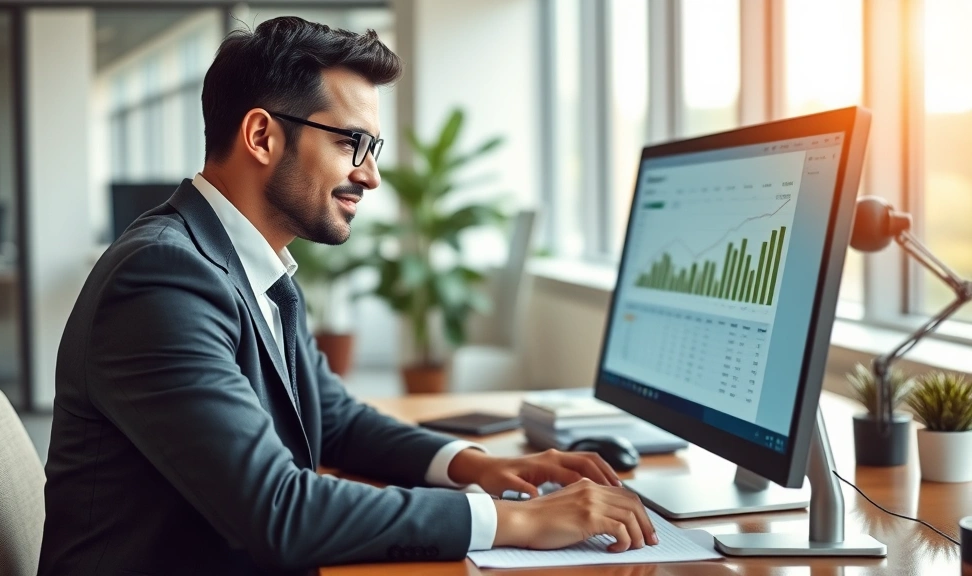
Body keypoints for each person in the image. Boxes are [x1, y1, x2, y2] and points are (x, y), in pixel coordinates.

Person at [36, 16, 655, 575]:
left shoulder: (247, 264)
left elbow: (331, 417)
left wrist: (476, 466)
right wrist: (512, 519)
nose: (372, 174)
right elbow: (278, 511)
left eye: (373, 148)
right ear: (261, 136)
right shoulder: (164, 278)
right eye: (350, 143)